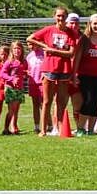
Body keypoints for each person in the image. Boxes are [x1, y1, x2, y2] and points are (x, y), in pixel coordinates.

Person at [27, 7, 78, 137]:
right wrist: (45, 46)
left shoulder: (71, 33)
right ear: (54, 16)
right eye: (58, 16)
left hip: (64, 70)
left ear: (66, 17)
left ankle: (61, 128)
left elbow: (71, 53)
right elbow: (30, 38)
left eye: (63, 16)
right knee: (46, 101)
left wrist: (54, 51)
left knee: (61, 101)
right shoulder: (49, 30)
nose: (60, 18)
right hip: (49, 69)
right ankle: (43, 130)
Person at [72, 13, 97, 136]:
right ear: (90, 24)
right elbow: (77, 58)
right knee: (87, 101)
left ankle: (90, 130)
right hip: (85, 75)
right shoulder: (84, 39)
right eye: (95, 23)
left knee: (95, 102)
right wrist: (74, 74)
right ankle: (80, 128)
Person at [0, 40, 27, 135]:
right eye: (15, 48)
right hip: (11, 88)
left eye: (19, 48)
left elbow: (23, 72)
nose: (17, 50)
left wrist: (26, 74)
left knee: (16, 110)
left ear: (22, 50)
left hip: (20, 88)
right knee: (11, 110)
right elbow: (2, 73)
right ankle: (6, 128)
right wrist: (11, 79)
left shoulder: (23, 61)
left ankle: (14, 127)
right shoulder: (9, 62)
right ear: (11, 50)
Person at [25, 40, 46, 134]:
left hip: (43, 82)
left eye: (32, 44)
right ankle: (36, 126)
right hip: (33, 83)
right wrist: (27, 73)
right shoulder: (29, 56)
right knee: (35, 105)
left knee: (44, 104)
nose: (31, 46)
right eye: (29, 45)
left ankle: (48, 125)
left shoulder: (44, 53)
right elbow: (26, 69)